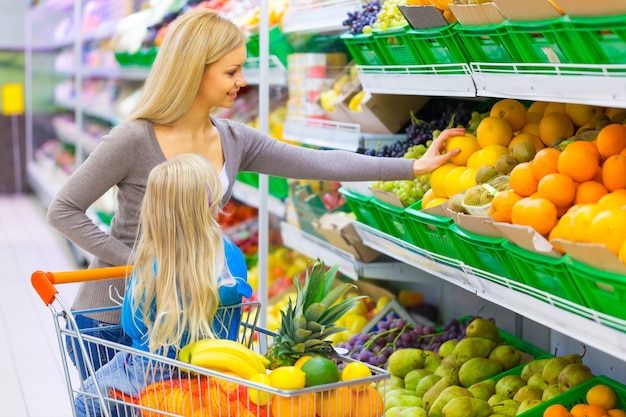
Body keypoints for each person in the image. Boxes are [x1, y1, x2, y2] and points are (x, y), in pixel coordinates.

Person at [47, 8, 463, 376]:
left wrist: (413, 166)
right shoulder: (133, 139)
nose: (242, 82)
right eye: (231, 72)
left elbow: (319, 163)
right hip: (114, 312)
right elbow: (63, 209)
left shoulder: (233, 139)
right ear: (194, 70)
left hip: (189, 313)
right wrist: (141, 264)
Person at [74, 153, 253, 417]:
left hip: (152, 372)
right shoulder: (232, 255)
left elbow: (132, 324)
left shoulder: (153, 261)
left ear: (155, 209)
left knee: (86, 399)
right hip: (214, 369)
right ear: (211, 199)